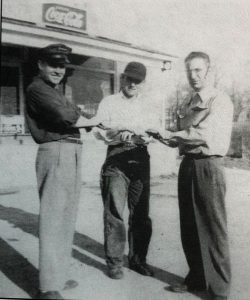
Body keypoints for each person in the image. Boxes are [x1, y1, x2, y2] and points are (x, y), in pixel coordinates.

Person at [151, 52, 233, 300]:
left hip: (208, 165)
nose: (193, 76)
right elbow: (180, 136)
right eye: (190, 71)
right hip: (188, 164)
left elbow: (202, 136)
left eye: (198, 70)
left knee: (213, 228)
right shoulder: (189, 102)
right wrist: (159, 136)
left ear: (208, 71)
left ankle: (220, 290)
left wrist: (168, 134)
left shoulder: (220, 100)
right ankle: (197, 277)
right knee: (189, 225)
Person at [25, 43, 94, 300]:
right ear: (40, 64)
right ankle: (47, 287)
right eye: (53, 64)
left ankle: (58, 277)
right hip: (56, 152)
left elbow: (71, 112)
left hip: (70, 151)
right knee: (53, 219)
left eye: (62, 65)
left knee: (66, 218)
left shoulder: (54, 90)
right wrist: (95, 119)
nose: (57, 70)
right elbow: (66, 116)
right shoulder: (37, 89)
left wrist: (79, 115)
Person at [91, 62, 155, 280]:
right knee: (115, 212)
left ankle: (138, 260)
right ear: (123, 79)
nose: (133, 84)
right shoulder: (108, 102)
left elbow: (153, 131)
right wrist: (119, 133)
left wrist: (143, 135)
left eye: (138, 80)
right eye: (130, 79)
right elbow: (99, 131)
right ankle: (115, 262)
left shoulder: (148, 104)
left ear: (143, 83)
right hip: (116, 158)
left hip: (140, 158)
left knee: (140, 213)